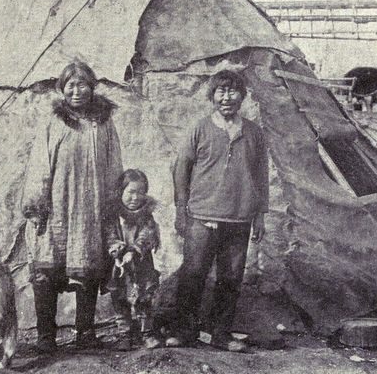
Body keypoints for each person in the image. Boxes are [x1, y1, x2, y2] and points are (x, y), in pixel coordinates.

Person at [22, 61, 122, 353]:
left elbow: (114, 163)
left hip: (90, 207)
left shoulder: (103, 123)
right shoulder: (54, 122)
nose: (77, 91)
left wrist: (112, 201)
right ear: (62, 89)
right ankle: (46, 336)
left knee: (87, 264)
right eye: (71, 85)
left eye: (82, 85)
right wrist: (37, 204)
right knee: (47, 268)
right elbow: (39, 164)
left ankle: (85, 332)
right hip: (57, 206)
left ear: (92, 87)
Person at [168, 69, 269, 352]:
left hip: (239, 217)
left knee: (231, 278)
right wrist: (180, 209)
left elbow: (261, 175)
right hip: (202, 215)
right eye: (220, 91)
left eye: (233, 91)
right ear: (212, 96)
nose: (227, 97)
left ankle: (221, 333)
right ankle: (184, 331)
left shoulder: (254, 133)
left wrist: (260, 214)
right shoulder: (199, 129)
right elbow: (181, 170)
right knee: (193, 274)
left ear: (242, 96)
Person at [105, 169, 161, 351]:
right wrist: (118, 251)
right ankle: (124, 334)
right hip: (120, 265)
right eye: (131, 192)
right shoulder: (113, 216)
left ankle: (147, 333)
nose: (135, 197)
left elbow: (147, 235)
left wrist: (134, 251)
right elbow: (110, 236)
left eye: (140, 192)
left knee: (144, 297)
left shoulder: (146, 216)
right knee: (120, 298)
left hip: (141, 264)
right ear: (121, 191)